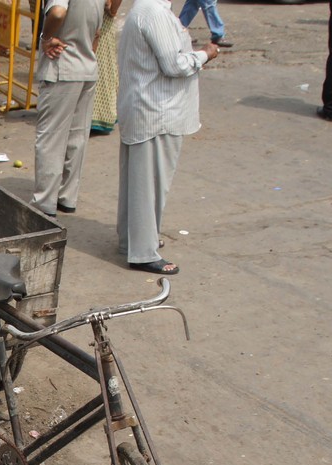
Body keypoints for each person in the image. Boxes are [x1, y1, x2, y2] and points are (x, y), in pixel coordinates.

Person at [116, 0, 217, 275]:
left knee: (139, 183)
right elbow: (174, 65)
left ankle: (134, 240)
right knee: (150, 184)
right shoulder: (153, 13)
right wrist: (205, 54)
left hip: (146, 107)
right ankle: (143, 251)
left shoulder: (146, 10)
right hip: (155, 111)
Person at [31, 0, 103, 217]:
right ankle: (67, 196)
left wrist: (45, 38)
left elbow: (58, 12)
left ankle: (44, 201)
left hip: (63, 63)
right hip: (87, 64)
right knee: (77, 136)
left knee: (51, 138)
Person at [90, 0, 125, 135]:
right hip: (102, 23)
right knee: (102, 68)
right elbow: (111, 7)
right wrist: (112, 10)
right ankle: (97, 115)